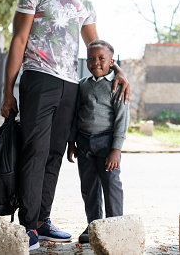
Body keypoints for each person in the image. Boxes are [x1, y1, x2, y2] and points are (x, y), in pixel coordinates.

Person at [0, 0, 129, 251]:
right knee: (35, 151)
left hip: (70, 85)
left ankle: (42, 220)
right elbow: (18, 40)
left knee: (56, 152)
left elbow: (98, 49)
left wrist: (120, 70)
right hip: (39, 79)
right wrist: (8, 91)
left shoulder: (84, 5)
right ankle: (28, 226)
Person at [67, 40, 129, 244]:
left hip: (106, 143)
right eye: (92, 58)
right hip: (84, 143)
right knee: (89, 187)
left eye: (102, 58)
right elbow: (75, 115)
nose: (96, 63)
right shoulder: (82, 85)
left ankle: (115, 225)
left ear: (111, 61)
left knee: (111, 185)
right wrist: (71, 142)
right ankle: (93, 224)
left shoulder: (116, 85)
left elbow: (122, 118)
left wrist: (116, 150)